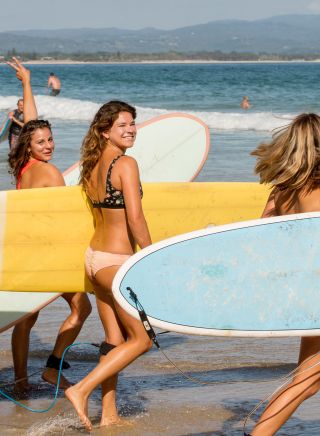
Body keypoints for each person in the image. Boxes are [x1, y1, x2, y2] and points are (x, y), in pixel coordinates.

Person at [65, 100, 153, 431]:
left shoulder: (91, 165)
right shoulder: (126, 164)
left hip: (94, 261)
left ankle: (109, 413)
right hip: (116, 263)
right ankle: (81, 388)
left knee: (115, 339)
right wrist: (152, 255)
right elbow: (135, 218)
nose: (131, 129)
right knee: (142, 339)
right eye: (122, 125)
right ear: (105, 132)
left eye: (133, 123)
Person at [7, 57, 92, 392]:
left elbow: (31, 123)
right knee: (81, 307)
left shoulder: (24, 166)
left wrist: (26, 83)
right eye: (42, 142)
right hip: (49, 254)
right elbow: (66, 219)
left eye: (51, 139)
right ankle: (52, 368)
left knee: (27, 317)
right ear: (30, 145)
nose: (49, 145)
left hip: (24, 250)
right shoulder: (51, 173)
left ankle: (19, 380)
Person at [249, 113, 320, 435]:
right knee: (308, 378)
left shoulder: (280, 191)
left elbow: (259, 238)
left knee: (307, 380)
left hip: (303, 292)